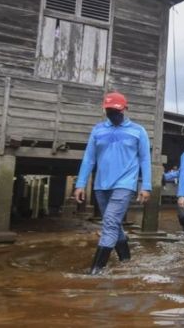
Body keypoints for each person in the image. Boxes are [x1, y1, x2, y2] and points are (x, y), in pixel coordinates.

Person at [74, 92, 151, 275]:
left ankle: (95, 270)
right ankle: (126, 262)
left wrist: (146, 186)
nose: (112, 114)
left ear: (125, 109)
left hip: (125, 184)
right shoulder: (98, 130)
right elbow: (89, 159)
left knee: (109, 222)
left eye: (116, 110)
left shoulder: (138, 131)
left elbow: (145, 160)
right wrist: (80, 183)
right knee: (114, 224)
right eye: (109, 110)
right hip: (101, 185)